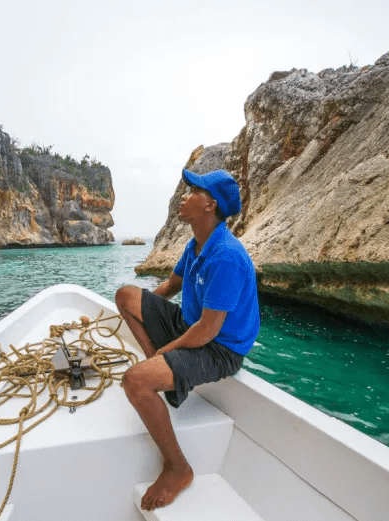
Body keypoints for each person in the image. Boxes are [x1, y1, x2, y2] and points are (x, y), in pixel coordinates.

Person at [115, 168, 260, 511]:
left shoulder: (226, 256)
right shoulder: (196, 243)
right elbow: (170, 287)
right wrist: (143, 306)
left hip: (219, 348)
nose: (183, 196)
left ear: (210, 204)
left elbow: (209, 331)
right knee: (126, 295)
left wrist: (162, 352)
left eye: (192, 191)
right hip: (190, 326)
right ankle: (165, 376)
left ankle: (178, 467)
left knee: (134, 381)